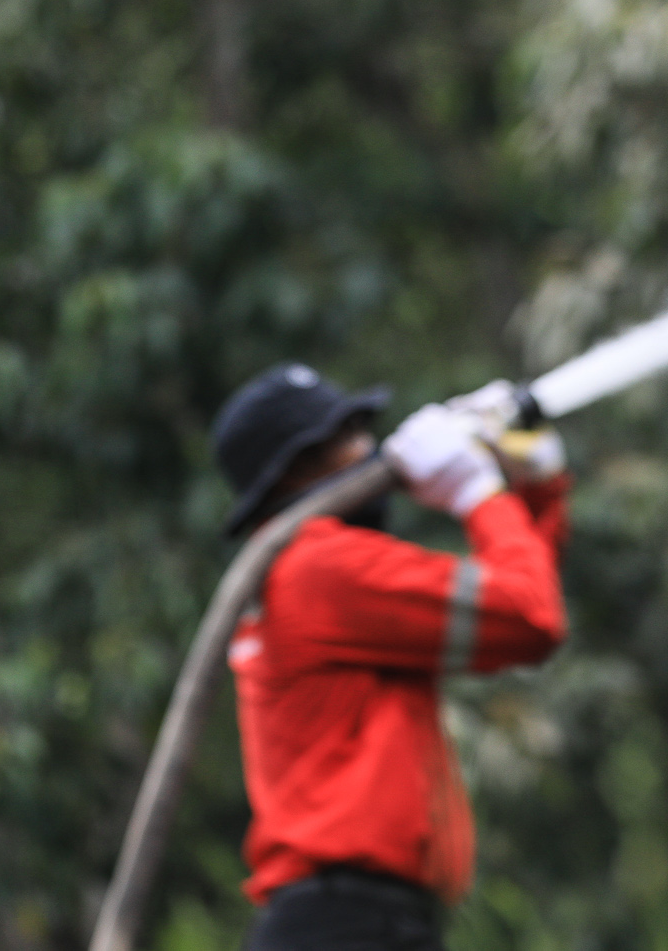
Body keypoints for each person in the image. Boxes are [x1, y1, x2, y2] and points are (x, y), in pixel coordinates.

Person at [210, 364, 569, 951]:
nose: (370, 449)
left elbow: (525, 595)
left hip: (355, 923)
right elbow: (529, 616)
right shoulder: (317, 569)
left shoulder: (316, 576)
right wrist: (475, 493)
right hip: (347, 927)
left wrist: (534, 485)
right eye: (348, 436)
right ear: (297, 470)